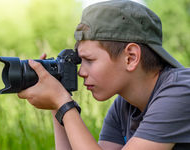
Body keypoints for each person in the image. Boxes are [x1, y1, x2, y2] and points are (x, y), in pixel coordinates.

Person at [17, 0, 190, 149]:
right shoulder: (124, 107)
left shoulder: (182, 92)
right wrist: (56, 103)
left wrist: (64, 105)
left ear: (131, 57)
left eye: (89, 60)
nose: (81, 72)